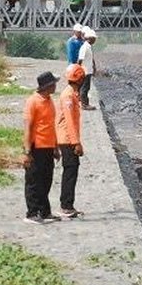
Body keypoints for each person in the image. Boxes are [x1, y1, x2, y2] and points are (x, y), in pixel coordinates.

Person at [23, 71, 61, 224]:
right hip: (35, 146)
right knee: (33, 181)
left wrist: (55, 147)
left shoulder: (49, 100)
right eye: (54, 84)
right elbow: (28, 128)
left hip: (48, 146)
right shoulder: (33, 101)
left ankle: (44, 212)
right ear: (48, 86)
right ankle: (32, 213)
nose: (55, 86)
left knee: (46, 180)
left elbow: (51, 126)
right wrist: (26, 152)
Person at [56, 63, 85, 218]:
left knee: (71, 170)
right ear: (80, 79)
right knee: (70, 171)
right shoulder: (68, 96)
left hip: (67, 138)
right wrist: (76, 143)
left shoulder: (71, 93)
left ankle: (68, 204)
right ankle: (66, 206)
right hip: (67, 139)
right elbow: (69, 121)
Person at [78, 28, 97, 110]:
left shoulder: (88, 47)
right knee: (84, 88)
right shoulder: (85, 47)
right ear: (90, 38)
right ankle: (84, 104)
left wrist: (94, 67)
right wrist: (78, 69)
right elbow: (80, 59)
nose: (95, 40)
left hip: (88, 70)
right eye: (94, 38)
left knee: (86, 87)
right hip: (85, 71)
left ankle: (85, 103)